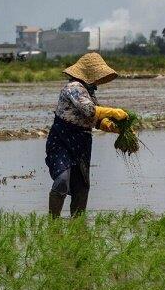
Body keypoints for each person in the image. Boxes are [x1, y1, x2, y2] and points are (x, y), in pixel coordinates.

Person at [45, 53, 127, 218]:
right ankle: (52, 223)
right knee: (62, 179)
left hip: (82, 142)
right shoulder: (73, 87)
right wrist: (112, 111)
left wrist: (111, 126)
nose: (98, 80)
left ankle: (77, 227)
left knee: (81, 187)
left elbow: (94, 119)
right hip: (62, 140)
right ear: (89, 74)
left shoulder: (89, 92)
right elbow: (89, 110)